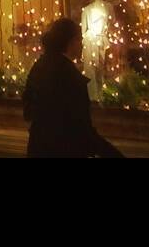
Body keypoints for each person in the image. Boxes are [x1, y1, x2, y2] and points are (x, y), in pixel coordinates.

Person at [22, 17, 122, 158]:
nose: (82, 45)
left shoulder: (40, 66)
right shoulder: (69, 76)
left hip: (39, 147)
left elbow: (28, 109)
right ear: (71, 42)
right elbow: (81, 128)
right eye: (80, 40)